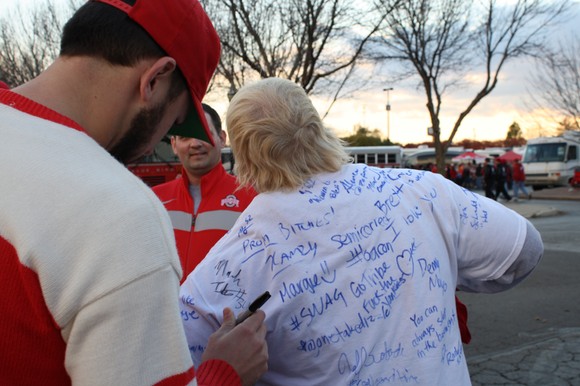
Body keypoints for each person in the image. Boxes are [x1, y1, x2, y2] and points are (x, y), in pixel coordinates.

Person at [179, 78, 543, 385]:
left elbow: (180, 358)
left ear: (241, 153)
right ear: (316, 127)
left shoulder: (234, 256)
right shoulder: (421, 191)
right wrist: (442, 272)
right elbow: (523, 250)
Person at [0, 0, 267, 385]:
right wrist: (224, 372)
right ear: (155, 79)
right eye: (175, 121)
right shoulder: (118, 213)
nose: (158, 141)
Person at [153, 103, 257, 280]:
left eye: (204, 134)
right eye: (186, 137)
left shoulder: (253, 198)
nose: (195, 143)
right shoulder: (154, 200)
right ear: (174, 145)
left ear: (222, 138)